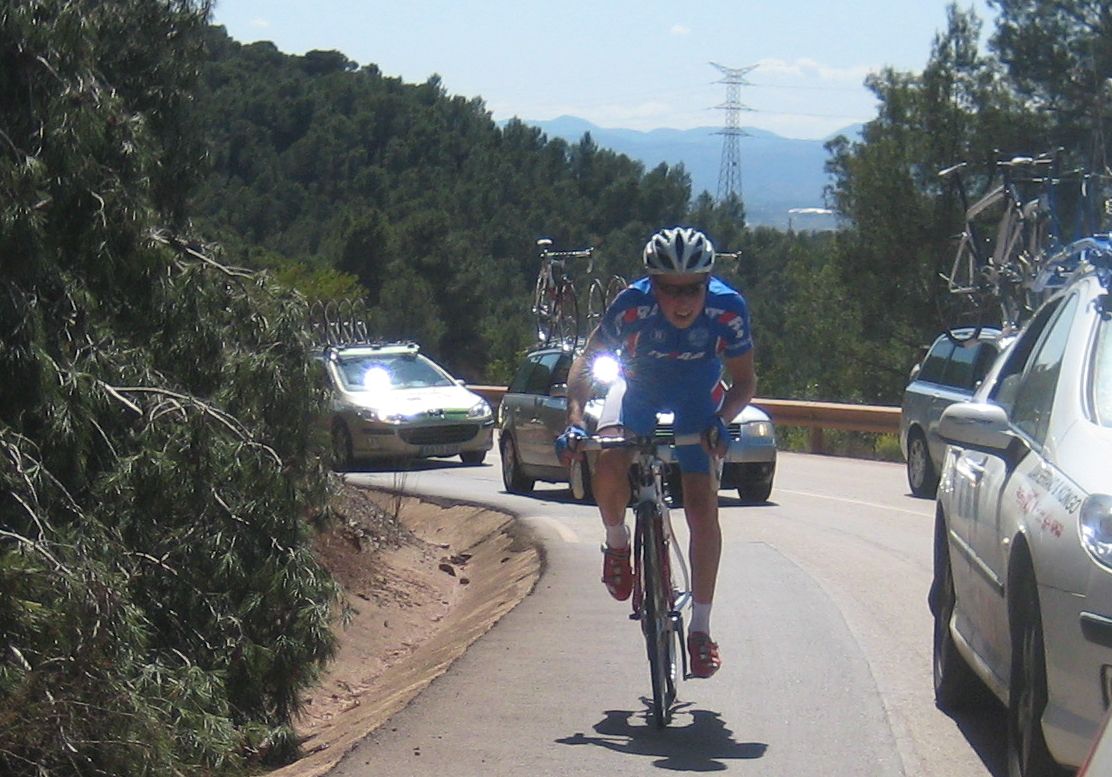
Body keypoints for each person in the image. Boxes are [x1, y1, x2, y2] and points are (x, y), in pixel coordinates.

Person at [555, 226, 756, 679]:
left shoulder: (728, 308)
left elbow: (744, 381)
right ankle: (617, 541)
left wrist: (721, 420)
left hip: (697, 396)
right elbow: (586, 362)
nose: (682, 302)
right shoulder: (632, 304)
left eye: (692, 290)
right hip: (638, 390)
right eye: (669, 290)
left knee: (702, 507)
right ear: (653, 284)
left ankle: (701, 630)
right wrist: (574, 420)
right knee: (610, 457)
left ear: (707, 284)